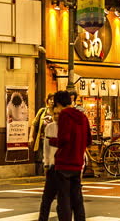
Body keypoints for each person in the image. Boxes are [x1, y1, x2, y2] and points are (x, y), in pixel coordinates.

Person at [49, 90, 92, 221]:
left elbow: (64, 139)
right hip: (78, 163)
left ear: (58, 103)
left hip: (64, 163)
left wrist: (51, 140)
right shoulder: (83, 117)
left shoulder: (64, 115)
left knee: (64, 200)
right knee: (77, 199)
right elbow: (89, 141)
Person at [38, 106, 60, 221]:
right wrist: (46, 163)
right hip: (52, 166)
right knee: (46, 199)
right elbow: (46, 148)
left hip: (63, 168)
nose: (56, 116)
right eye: (54, 113)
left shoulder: (68, 127)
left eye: (58, 114)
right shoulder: (49, 128)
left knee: (62, 201)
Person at [30, 93, 54, 176]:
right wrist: (31, 137)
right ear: (47, 101)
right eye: (50, 99)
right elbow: (34, 123)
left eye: (53, 99)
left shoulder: (57, 112)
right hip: (42, 138)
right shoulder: (42, 111)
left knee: (51, 158)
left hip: (52, 140)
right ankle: (39, 175)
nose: (52, 101)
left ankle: (49, 175)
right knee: (39, 157)